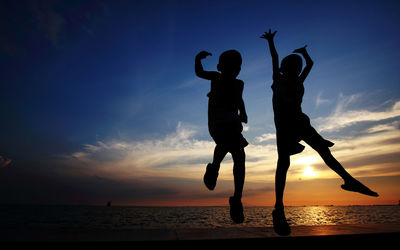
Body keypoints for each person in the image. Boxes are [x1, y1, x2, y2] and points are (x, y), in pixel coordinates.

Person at [261, 29, 379, 235]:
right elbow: (275, 57)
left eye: (298, 67)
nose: (297, 70)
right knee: (284, 164)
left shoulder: (299, 80)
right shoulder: (278, 79)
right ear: (284, 68)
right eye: (293, 67)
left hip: (300, 122)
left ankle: (348, 180)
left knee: (324, 151)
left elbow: (310, 65)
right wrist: (271, 41)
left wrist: (304, 53)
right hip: (285, 126)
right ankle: (278, 208)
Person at [195, 50, 248, 223]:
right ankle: (214, 167)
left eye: (236, 67)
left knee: (240, 156)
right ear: (219, 67)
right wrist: (198, 59)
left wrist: (243, 112)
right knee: (228, 143)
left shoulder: (239, 84)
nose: (234, 70)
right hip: (218, 122)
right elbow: (199, 73)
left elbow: (240, 99)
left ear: (239, 70)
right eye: (229, 67)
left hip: (232, 122)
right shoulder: (215, 77)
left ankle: (237, 198)